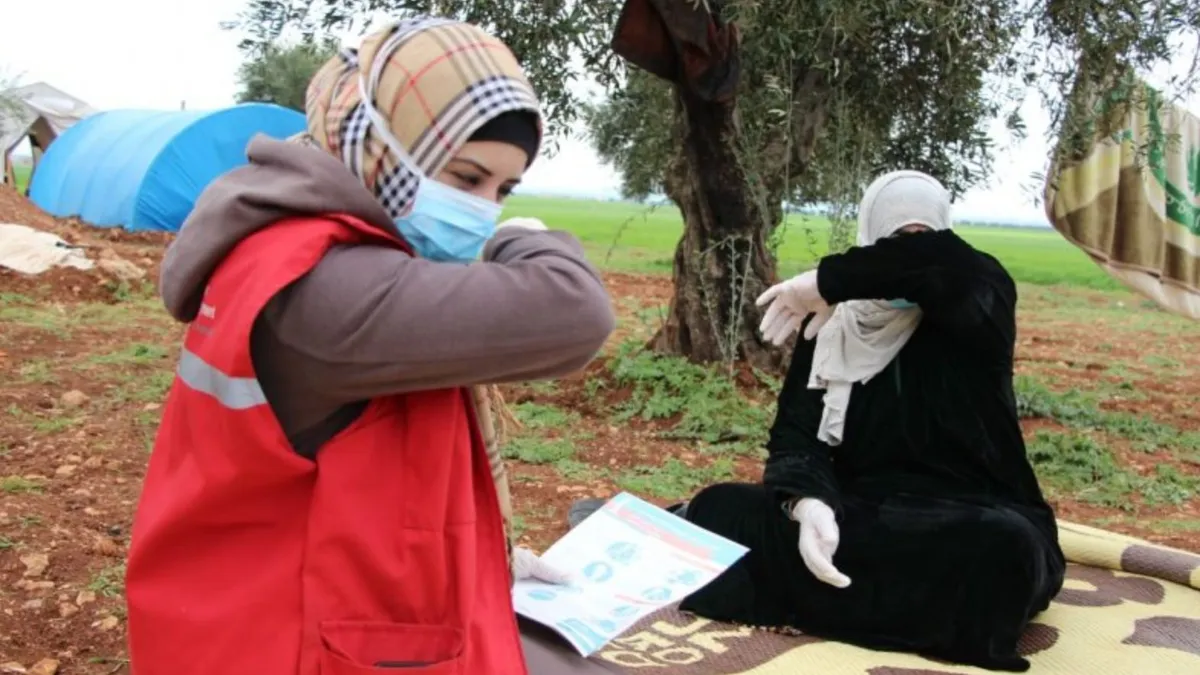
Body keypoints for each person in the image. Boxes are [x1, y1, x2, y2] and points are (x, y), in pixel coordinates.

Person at [125, 16, 614, 675]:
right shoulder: (328, 290)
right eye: (466, 178)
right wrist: (519, 237)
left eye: (504, 192)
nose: (483, 210)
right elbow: (576, 311)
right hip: (288, 642)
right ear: (378, 146)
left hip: (254, 605)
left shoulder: (281, 246)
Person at [570, 171, 1066, 672]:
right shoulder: (832, 327)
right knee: (722, 509)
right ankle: (881, 610)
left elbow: (946, 264)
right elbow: (796, 436)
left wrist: (822, 281)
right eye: (896, 238)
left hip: (971, 515)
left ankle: (807, 599)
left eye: (922, 237)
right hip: (858, 516)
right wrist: (807, 505)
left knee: (1007, 548)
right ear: (873, 239)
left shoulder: (979, 306)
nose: (909, 251)